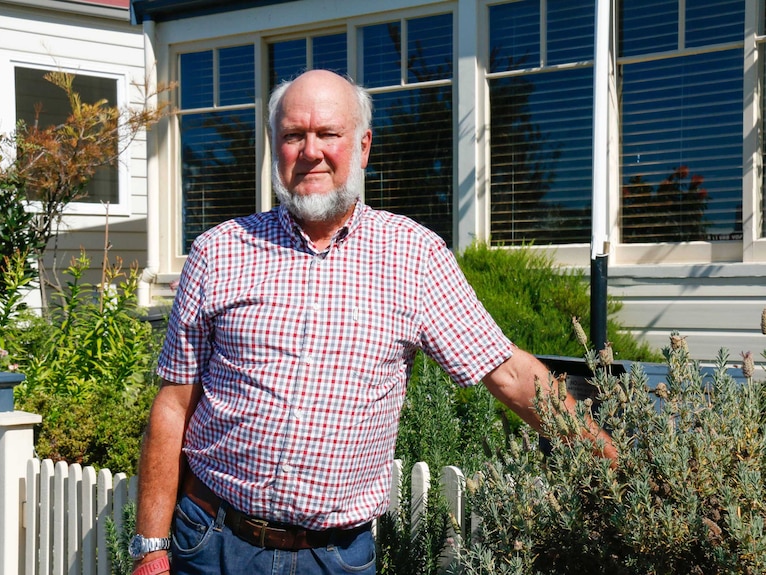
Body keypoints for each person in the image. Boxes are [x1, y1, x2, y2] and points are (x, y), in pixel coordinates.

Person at [130, 69, 617, 575]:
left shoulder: (414, 257)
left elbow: (509, 372)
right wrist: (151, 548)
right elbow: (172, 406)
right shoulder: (219, 252)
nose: (310, 151)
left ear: (363, 147)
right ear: (275, 147)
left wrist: (617, 468)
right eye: (294, 135)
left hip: (335, 558)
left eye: (328, 134)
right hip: (211, 543)